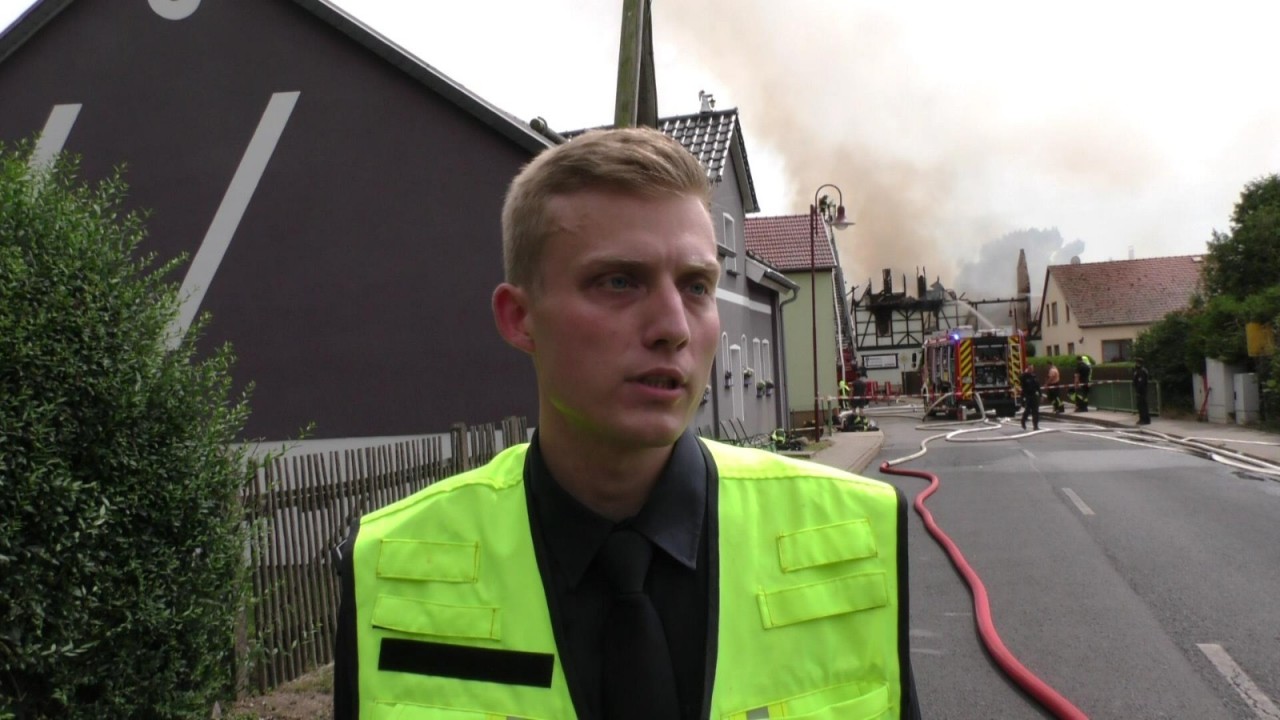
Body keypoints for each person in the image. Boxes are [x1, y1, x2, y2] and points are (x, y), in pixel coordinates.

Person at [332, 128, 920, 720]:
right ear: (520, 318)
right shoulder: (391, 565)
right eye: (619, 281)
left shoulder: (855, 535)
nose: (673, 326)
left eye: (696, 286)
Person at [1020, 366, 1041, 431]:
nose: (1031, 370)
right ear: (1027, 369)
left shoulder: (1034, 377)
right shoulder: (1024, 377)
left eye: (1032, 369)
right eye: (1029, 369)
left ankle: (1035, 426)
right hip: (1027, 396)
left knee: (1036, 411)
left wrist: (1040, 395)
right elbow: (1021, 381)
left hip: (1034, 395)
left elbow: (1038, 387)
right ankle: (1023, 421)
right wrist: (1023, 397)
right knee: (1027, 410)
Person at [1133, 357, 1151, 425]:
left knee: (1142, 406)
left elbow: (1141, 382)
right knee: (1141, 405)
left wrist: (1138, 390)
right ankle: (1143, 419)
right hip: (1141, 390)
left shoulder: (1141, 371)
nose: (1136, 364)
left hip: (1141, 391)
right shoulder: (1139, 370)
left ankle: (1144, 419)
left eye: (1137, 362)